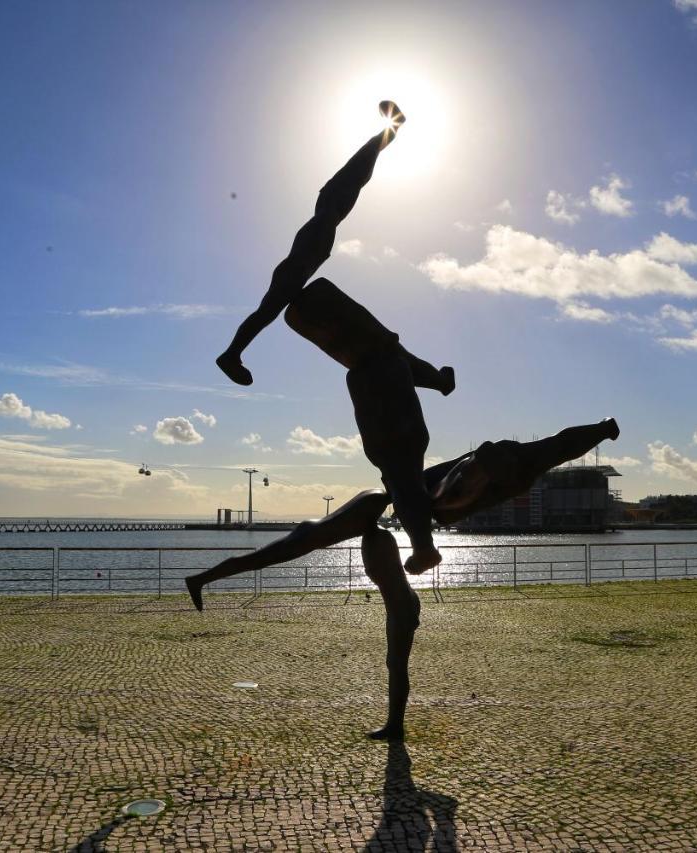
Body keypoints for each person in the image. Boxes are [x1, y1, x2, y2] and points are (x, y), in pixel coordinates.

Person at [184, 417, 620, 738]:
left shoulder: (494, 476)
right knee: (298, 545)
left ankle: (394, 724)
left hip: (406, 552)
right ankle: (204, 578)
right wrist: (601, 429)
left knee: (308, 552)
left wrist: (601, 430)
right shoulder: (419, 497)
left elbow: (559, 445)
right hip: (410, 513)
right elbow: (547, 448)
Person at [215, 101, 453, 398]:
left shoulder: (323, 222)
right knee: (268, 310)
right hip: (296, 268)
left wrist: (388, 132)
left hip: (298, 269)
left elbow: (354, 176)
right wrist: (389, 129)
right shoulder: (323, 222)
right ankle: (231, 353)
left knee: (270, 310)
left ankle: (441, 382)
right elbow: (354, 174)